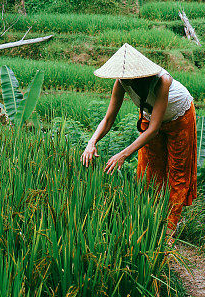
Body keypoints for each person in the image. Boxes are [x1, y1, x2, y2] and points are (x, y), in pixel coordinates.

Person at [81, 43, 197, 233]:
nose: (129, 81)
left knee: (178, 171)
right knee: (149, 170)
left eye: (132, 77)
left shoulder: (162, 81)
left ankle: (169, 228)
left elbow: (153, 130)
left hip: (179, 117)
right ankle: (151, 217)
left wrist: (123, 154)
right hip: (151, 118)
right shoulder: (121, 83)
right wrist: (91, 142)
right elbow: (109, 117)